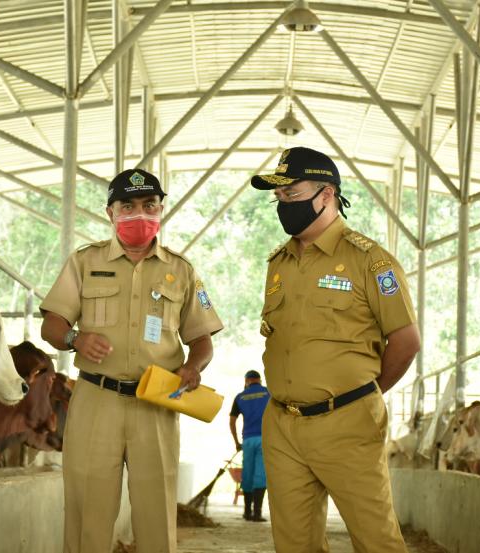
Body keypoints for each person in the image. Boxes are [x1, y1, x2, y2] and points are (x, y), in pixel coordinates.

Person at [40, 168, 223, 553]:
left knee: (156, 512)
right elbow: (52, 325)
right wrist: (76, 338)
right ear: (111, 212)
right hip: (96, 399)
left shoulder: (182, 270)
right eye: (129, 206)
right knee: (88, 510)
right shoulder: (84, 262)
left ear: (160, 210)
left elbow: (202, 340)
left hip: (156, 403)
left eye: (149, 205)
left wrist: (194, 367)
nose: (139, 214)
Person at [250, 147, 421, 553]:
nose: (283, 205)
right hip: (283, 424)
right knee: (294, 544)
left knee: (376, 540)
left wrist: (362, 392)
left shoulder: (370, 261)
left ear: (326, 194)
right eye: (278, 198)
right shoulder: (280, 263)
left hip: (347, 421)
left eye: (291, 195)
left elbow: (406, 340)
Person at [229, 369, 271, 522]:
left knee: (247, 474)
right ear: (259, 380)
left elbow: (232, 421)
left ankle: (247, 512)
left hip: (247, 441)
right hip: (265, 439)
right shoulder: (268, 393)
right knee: (261, 474)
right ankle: (257, 514)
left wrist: (236, 443)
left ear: (246, 381)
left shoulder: (240, 397)